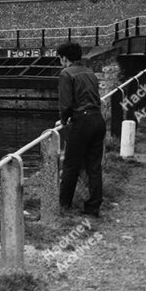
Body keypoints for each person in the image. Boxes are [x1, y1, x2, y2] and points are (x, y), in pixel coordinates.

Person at [55, 41, 104, 218]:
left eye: (59, 58)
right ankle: (93, 206)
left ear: (64, 58)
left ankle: (64, 205)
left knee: (70, 165)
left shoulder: (66, 74)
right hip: (98, 119)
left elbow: (66, 104)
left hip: (82, 121)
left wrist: (63, 121)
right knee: (94, 166)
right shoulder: (89, 72)